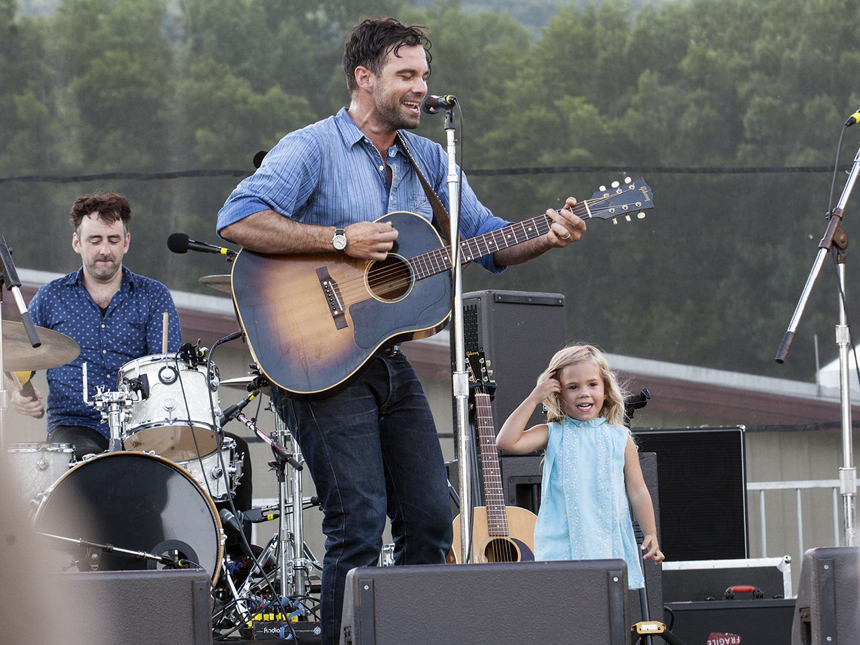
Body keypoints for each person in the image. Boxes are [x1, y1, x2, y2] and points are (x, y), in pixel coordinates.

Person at [216, 17, 586, 644]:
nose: (421, 89)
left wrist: (546, 235)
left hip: (383, 357)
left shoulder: (429, 159)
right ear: (365, 79)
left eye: (425, 76)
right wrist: (339, 239)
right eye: (406, 75)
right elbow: (237, 217)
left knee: (430, 515)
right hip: (314, 357)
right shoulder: (312, 148)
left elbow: (486, 242)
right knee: (357, 520)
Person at [9, 193, 183, 460]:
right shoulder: (50, 297)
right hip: (74, 426)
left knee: (228, 451)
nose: (105, 250)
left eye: (113, 240)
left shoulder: (154, 295)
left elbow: (169, 370)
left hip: (140, 428)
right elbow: (18, 359)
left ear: (126, 242)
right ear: (77, 243)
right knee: (89, 463)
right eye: (95, 240)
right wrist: (17, 393)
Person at [496, 344, 664, 589]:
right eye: (573, 387)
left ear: (606, 389)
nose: (584, 393)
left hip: (606, 541)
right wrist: (535, 397)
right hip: (562, 543)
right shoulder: (553, 433)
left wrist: (651, 532)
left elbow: (637, 489)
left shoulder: (619, 438)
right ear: (558, 394)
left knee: (605, 609)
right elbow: (506, 441)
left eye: (592, 384)